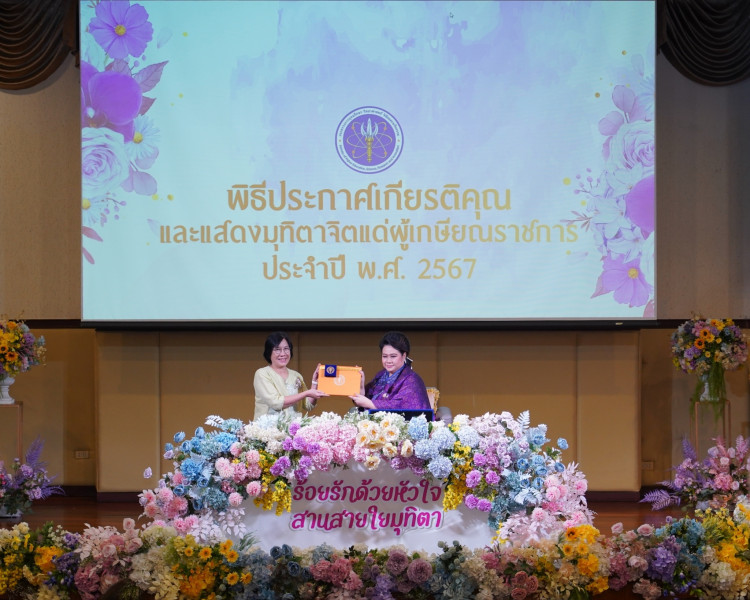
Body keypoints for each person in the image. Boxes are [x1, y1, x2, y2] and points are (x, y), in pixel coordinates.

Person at [253, 331, 327, 419]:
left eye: (286, 349)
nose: (283, 354)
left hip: (293, 427)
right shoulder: (262, 374)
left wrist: (315, 382)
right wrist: (306, 393)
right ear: (269, 352)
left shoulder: (296, 375)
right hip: (269, 427)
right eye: (277, 349)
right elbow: (276, 403)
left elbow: (308, 405)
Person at [350, 331, 431, 411]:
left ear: (404, 356)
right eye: (385, 356)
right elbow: (363, 401)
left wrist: (369, 403)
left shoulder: (412, 380)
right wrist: (361, 386)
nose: (388, 361)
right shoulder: (380, 375)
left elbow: (399, 406)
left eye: (393, 356)